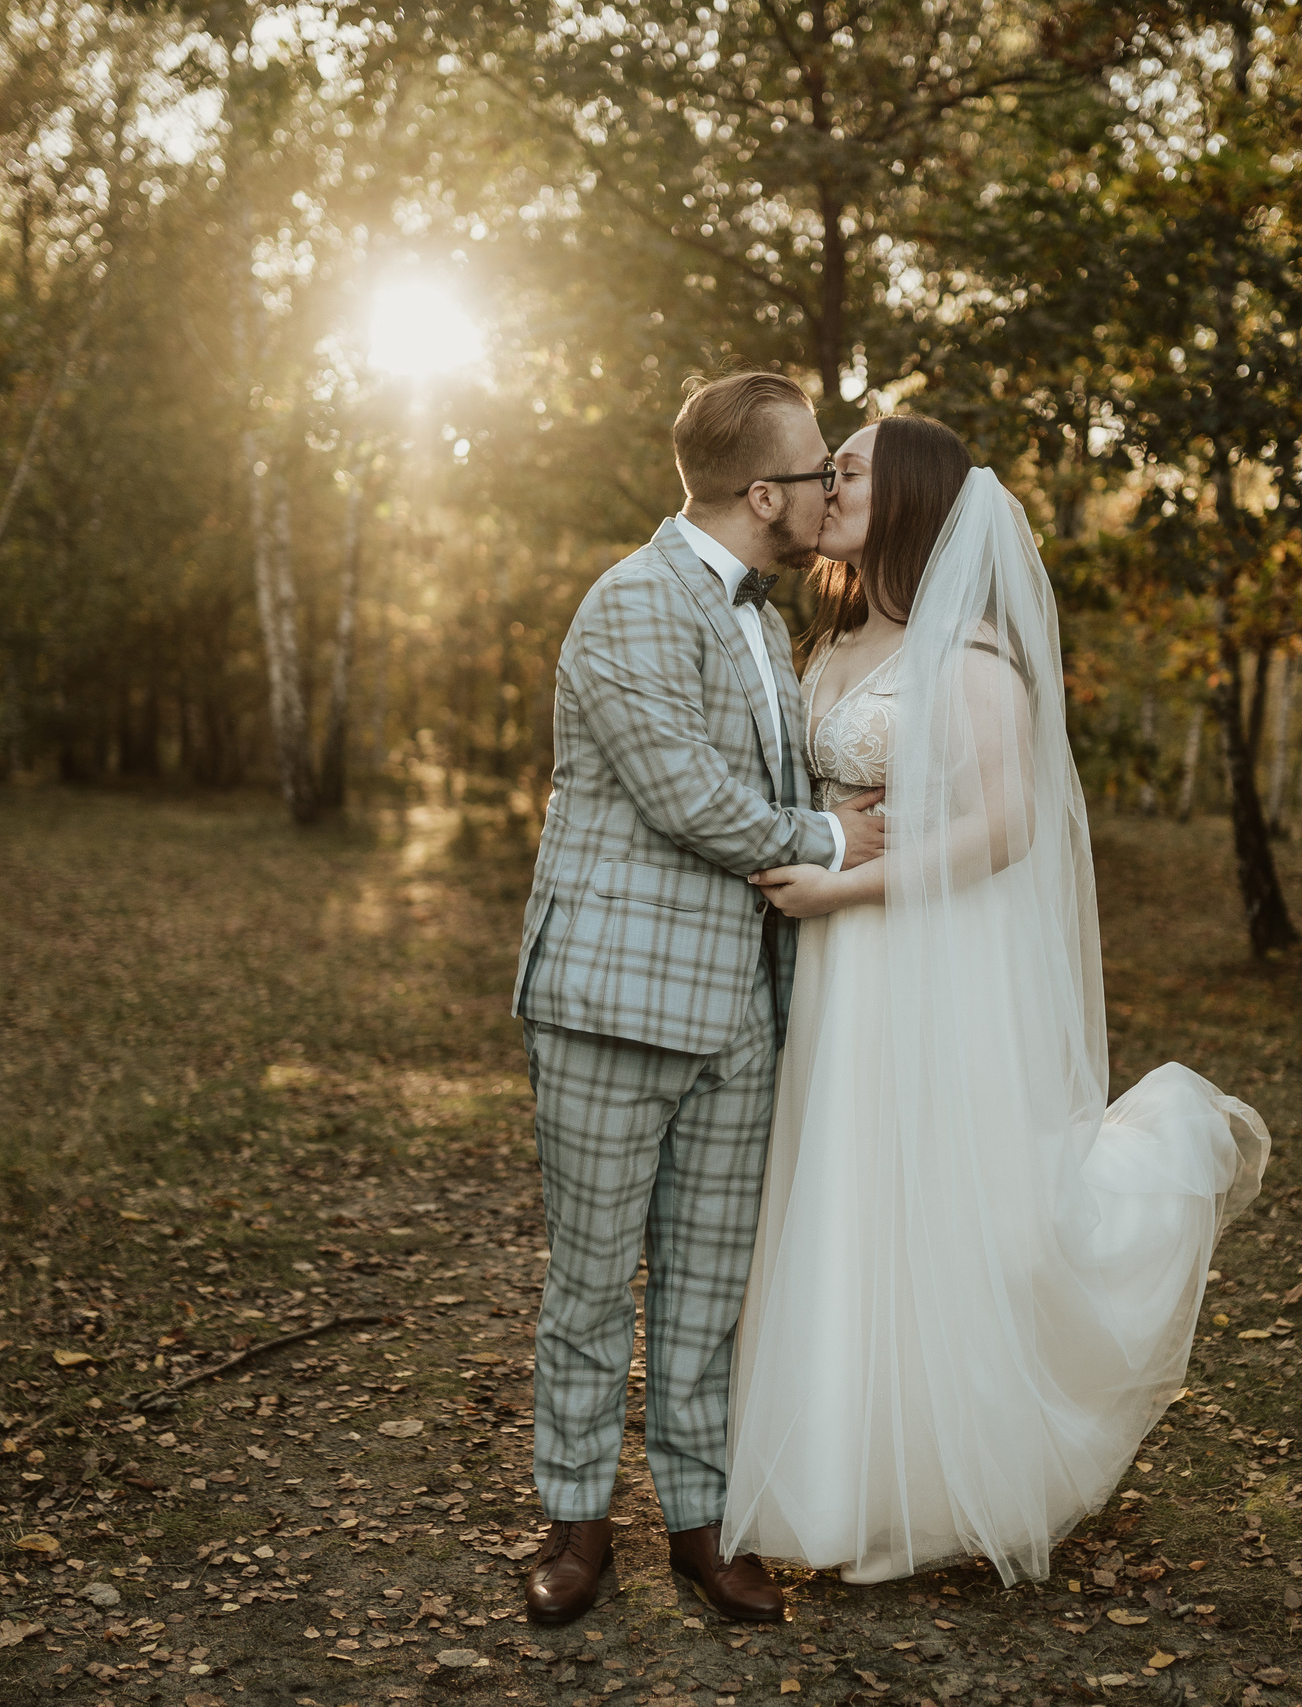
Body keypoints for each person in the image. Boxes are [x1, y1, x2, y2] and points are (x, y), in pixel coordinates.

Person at [723, 415, 1272, 1585]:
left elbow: (1009, 825)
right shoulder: (830, 640)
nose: (831, 481)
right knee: (841, 1193)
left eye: (853, 469)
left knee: (920, 1198)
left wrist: (844, 890)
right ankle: (833, 1475)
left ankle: (937, 1478)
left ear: (911, 496)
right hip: (830, 965)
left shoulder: (964, 653)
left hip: (917, 957)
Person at [510, 373, 889, 1625]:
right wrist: (837, 842)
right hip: (617, 1001)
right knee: (590, 1283)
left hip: (741, 1009)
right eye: (817, 472)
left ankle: (697, 1523)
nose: (832, 488)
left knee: (709, 1290)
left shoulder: (764, 620)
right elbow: (689, 801)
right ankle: (574, 1526)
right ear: (761, 493)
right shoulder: (631, 601)